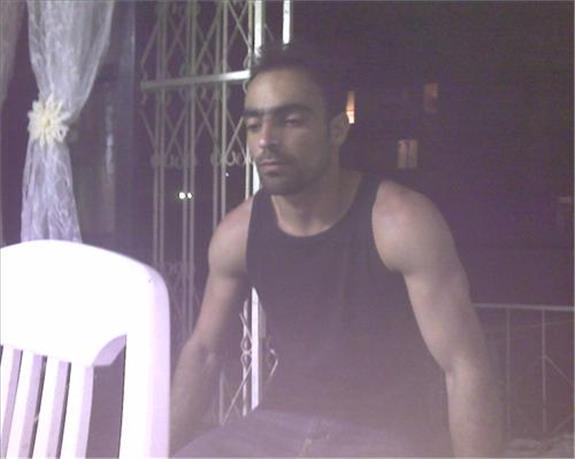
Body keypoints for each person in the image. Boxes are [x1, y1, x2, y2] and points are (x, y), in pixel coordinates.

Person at [170, 41, 503, 457]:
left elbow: (465, 366)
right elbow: (203, 352)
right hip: (275, 426)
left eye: (291, 121)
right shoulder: (237, 233)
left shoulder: (399, 222)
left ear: (337, 130)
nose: (266, 140)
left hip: (386, 435)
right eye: (254, 125)